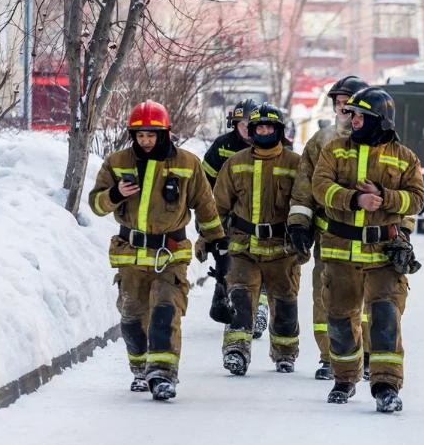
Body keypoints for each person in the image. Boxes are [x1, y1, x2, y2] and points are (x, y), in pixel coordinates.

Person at [89, 100, 227, 400]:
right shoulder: (117, 162)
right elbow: (96, 204)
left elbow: (206, 206)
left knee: (166, 311)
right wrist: (115, 194)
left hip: (170, 256)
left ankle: (163, 375)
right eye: (140, 136)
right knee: (132, 320)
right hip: (130, 255)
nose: (146, 141)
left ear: (165, 133)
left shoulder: (187, 163)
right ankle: (140, 368)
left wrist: (218, 242)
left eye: (152, 135)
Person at [287, 76, 418, 381]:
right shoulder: (323, 143)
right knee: (331, 302)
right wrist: (299, 224)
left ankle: (373, 358)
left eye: (352, 105)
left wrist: (403, 232)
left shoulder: (396, 151)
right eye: (340, 104)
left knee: (381, 308)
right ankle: (331, 357)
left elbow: (409, 195)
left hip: (380, 243)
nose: (346, 110)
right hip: (332, 238)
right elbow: (307, 188)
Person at [312, 87, 424, 412]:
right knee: (339, 321)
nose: (354, 120)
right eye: (352, 115)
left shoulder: (404, 157)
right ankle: (345, 378)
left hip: (383, 255)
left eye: (361, 116)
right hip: (340, 254)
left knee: (386, 318)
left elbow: (417, 198)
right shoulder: (334, 150)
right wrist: (353, 198)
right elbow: (321, 188)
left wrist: (385, 196)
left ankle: (386, 386)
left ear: (380, 120)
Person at [212, 102, 303, 375]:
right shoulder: (235, 163)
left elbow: (305, 203)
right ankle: (236, 351)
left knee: (285, 303)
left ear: (279, 130)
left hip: (282, 248)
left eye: (270, 127)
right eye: (259, 126)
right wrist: (210, 239)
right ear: (252, 130)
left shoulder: (295, 164)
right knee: (240, 298)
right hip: (243, 247)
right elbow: (217, 206)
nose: (264, 131)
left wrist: (305, 238)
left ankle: (285, 353)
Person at [198, 99, 270, 339]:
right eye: (243, 124)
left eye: (253, 124)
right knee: (227, 261)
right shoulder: (222, 146)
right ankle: (227, 296)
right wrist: (206, 217)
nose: (248, 129)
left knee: (261, 262)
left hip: (259, 217)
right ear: (236, 124)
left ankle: (259, 305)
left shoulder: (270, 146)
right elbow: (203, 182)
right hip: (226, 217)